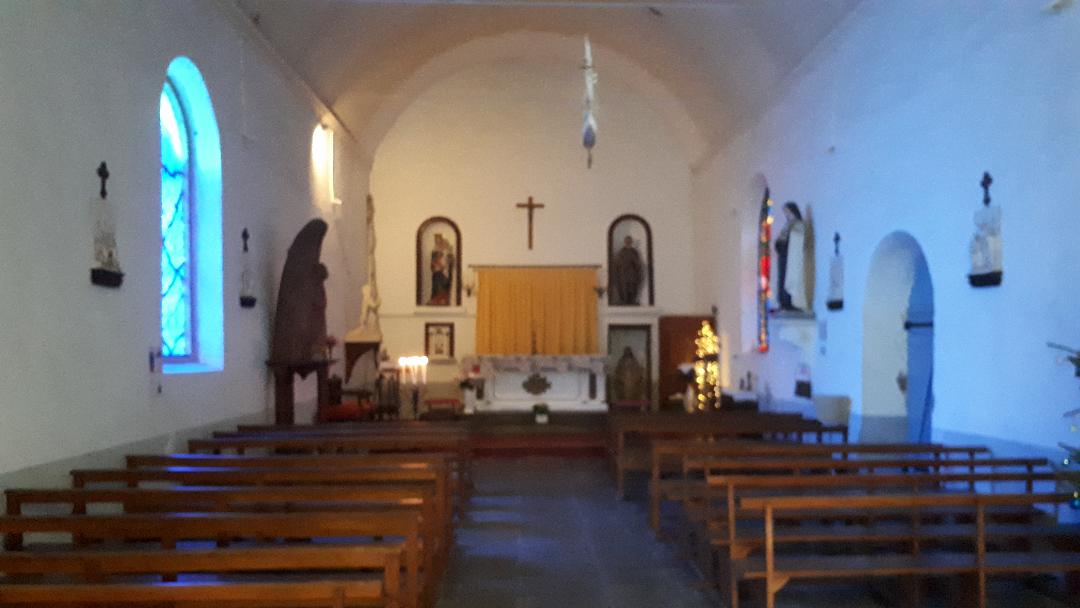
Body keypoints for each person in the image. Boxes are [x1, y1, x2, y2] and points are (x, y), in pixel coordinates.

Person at [775, 202, 806, 311]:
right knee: (782, 278)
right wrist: (779, 244)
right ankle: (783, 301)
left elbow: (797, 241)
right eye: (785, 212)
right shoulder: (787, 225)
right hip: (784, 256)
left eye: (788, 212)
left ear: (793, 211)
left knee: (791, 279)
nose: (786, 215)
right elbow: (780, 240)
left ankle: (790, 301)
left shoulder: (798, 225)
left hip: (792, 257)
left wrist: (785, 243)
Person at [611, 235, 645, 305]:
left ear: (631, 242)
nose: (628, 242)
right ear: (625, 242)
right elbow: (617, 264)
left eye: (629, 241)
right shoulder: (621, 252)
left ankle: (632, 300)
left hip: (632, 275)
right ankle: (623, 300)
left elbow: (638, 264)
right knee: (623, 288)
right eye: (627, 241)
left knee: (632, 288)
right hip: (623, 275)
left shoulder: (634, 252)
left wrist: (634, 262)